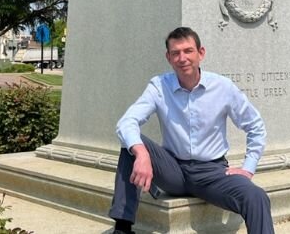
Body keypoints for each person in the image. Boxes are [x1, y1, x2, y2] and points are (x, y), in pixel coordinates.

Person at [108, 27, 274, 234]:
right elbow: (127, 121)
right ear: (168, 57)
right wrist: (141, 153)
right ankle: (122, 228)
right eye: (176, 53)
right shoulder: (159, 86)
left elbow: (255, 126)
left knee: (256, 197)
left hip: (212, 173)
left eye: (188, 51)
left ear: (200, 53)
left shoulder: (223, 87)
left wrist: (248, 167)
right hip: (173, 170)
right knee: (131, 143)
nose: (182, 58)